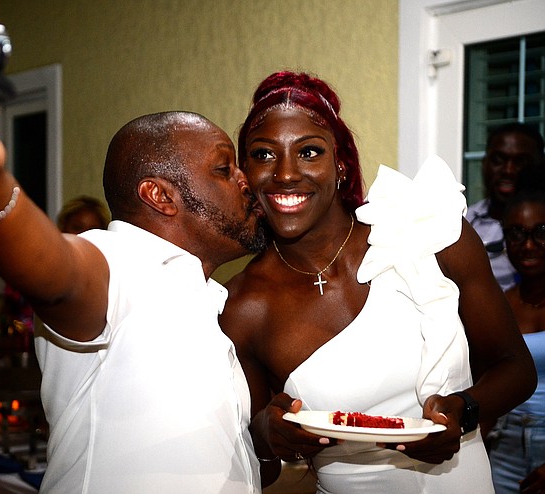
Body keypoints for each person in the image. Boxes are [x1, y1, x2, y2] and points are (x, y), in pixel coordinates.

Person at [0, 71, 268, 493]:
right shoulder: (119, 263)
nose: (247, 181)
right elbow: (54, 268)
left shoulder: (204, 296)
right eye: (225, 169)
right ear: (160, 196)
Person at [219, 71, 537, 492]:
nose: (286, 174)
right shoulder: (242, 306)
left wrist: (464, 410)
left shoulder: (430, 234)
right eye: (263, 155)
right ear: (245, 174)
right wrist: (266, 435)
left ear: (341, 163)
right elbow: (261, 470)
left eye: (309, 151)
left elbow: (516, 369)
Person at [487, 166, 545, 494]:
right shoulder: (499, 305)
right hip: (505, 443)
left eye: (541, 232)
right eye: (517, 234)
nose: (528, 245)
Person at [0, 195, 110, 335]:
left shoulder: (108, 274)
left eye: (92, 230)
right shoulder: (39, 265)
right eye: (77, 227)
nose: (83, 235)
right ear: (62, 228)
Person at [466, 123, 545, 291]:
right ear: (485, 163)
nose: (508, 170)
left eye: (520, 162)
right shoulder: (462, 224)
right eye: (498, 160)